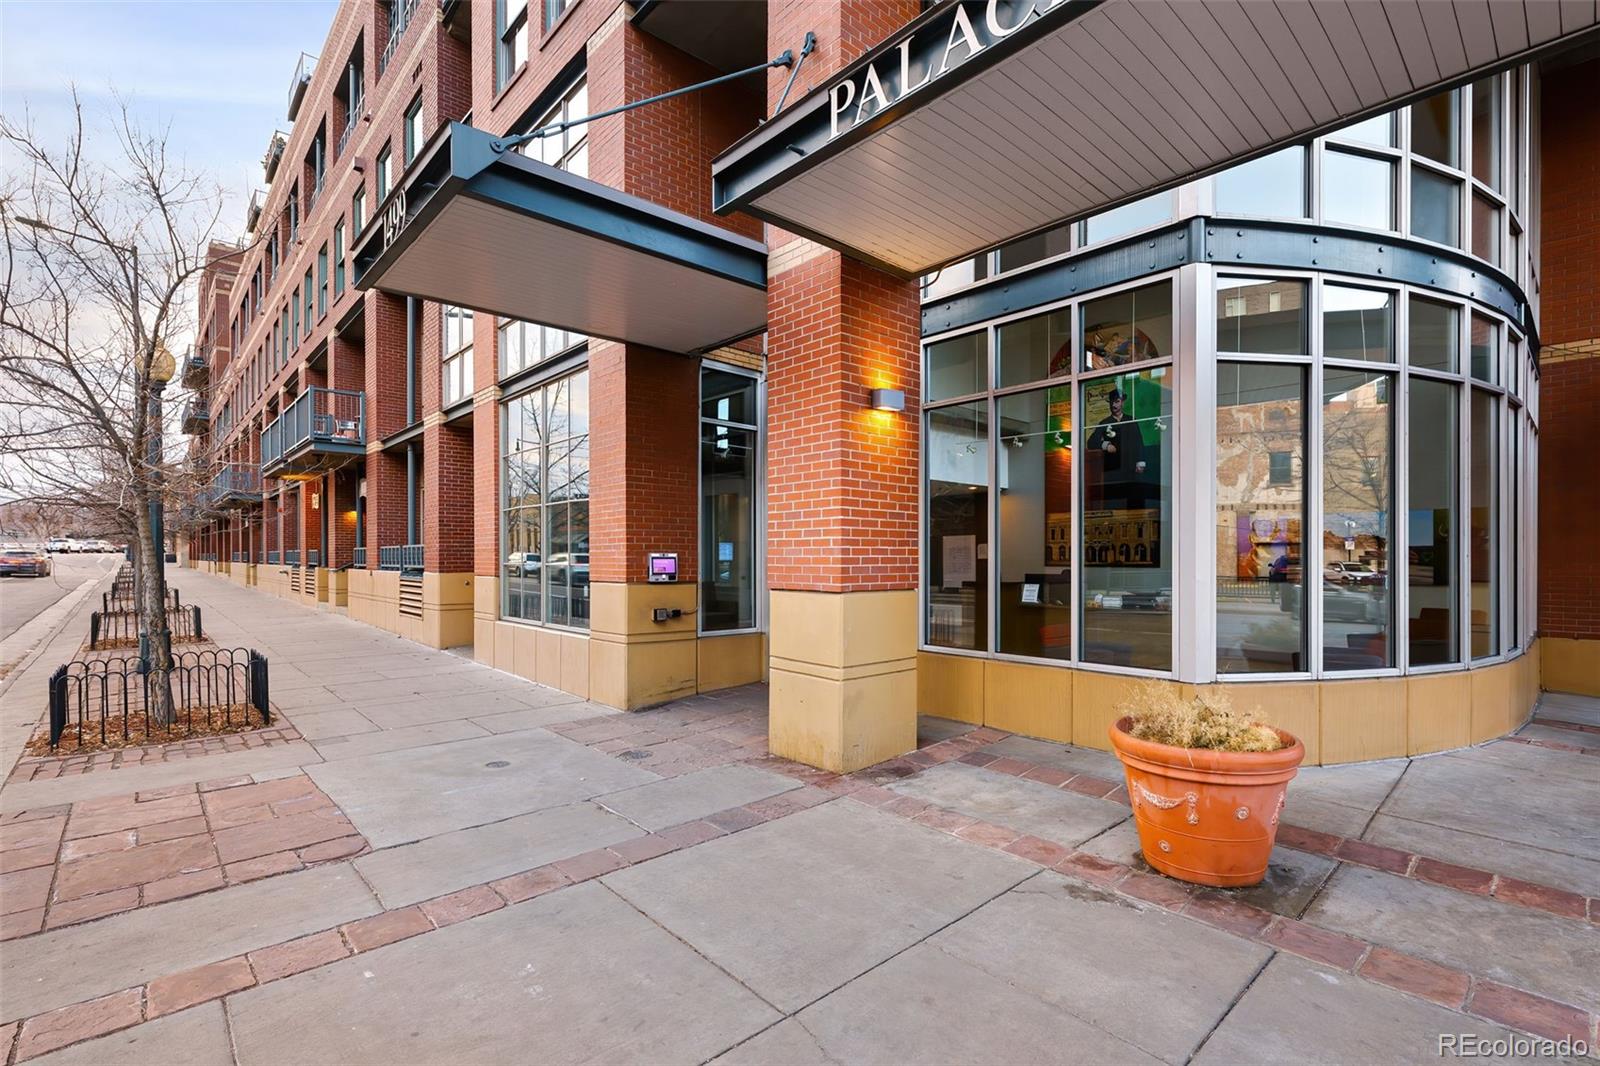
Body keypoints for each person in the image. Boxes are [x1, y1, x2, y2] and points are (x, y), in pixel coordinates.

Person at [1088, 387, 1147, 510]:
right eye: (1112, 402)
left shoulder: (1131, 420)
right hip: (1113, 471)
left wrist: (1140, 461)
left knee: (1133, 500)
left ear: (1122, 402)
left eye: (1117, 401)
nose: (1114, 405)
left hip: (1131, 468)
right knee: (1115, 503)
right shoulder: (1105, 423)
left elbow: (1139, 442)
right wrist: (1106, 445)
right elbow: (1091, 442)